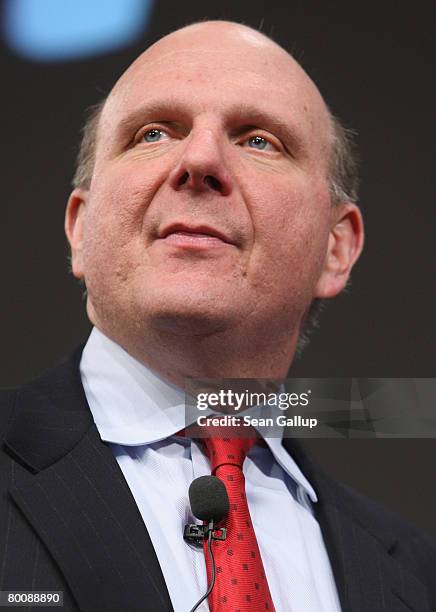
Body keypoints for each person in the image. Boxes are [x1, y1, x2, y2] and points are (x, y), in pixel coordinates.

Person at [0, 20, 434, 612]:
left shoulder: (416, 575)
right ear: (79, 228)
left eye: (259, 140)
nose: (199, 159)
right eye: (153, 133)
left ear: (336, 247)